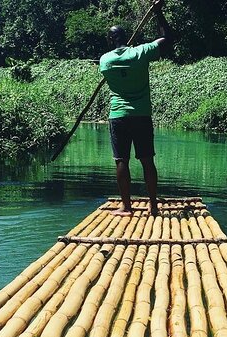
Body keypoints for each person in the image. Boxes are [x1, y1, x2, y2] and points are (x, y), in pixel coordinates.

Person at [99, 0, 176, 216]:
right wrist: (159, 13)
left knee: (121, 160)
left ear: (110, 41)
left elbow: (118, 57)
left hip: (118, 115)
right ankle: (153, 206)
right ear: (125, 38)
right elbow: (168, 39)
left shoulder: (105, 61)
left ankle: (126, 206)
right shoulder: (141, 52)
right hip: (141, 114)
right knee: (147, 160)